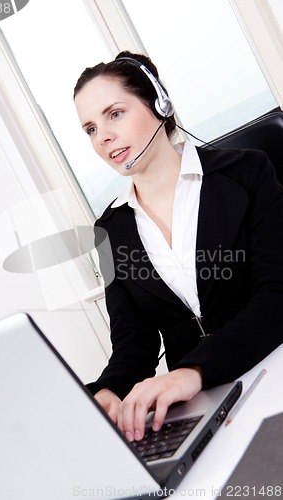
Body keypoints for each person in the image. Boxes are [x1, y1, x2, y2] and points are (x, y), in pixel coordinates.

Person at [73, 50, 283, 443]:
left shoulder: (248, 173)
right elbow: (133, 343)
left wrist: (194, 370)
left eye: (114, 114)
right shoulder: (110, 230)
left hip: (271, 364)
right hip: (201, 404)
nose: (103, 136)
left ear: (159, 104)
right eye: (89, 128)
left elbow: (277, 295)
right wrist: (108, 391)